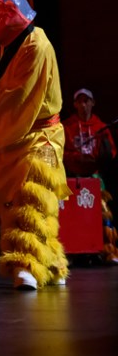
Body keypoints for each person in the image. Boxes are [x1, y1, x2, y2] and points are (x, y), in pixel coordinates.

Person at [0, 0, 70, 291]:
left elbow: (19, 98)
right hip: (18, 136)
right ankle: (49, 263)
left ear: (8, 14)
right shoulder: (10, 47)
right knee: (13, 203)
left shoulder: (36, 46)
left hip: (39, 135)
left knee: (33, 198)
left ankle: (29, 264)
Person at [62, 88, 118, 264]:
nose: (83, 105)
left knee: (104, 212)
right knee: (69, 214)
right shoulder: (66, 127)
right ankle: (67, 253)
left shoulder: (101, 128)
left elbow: (112, 153)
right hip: (72, 176)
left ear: (93, 103)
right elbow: (60, 151)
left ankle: (110, 251)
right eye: (80, 101)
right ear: (74, 105)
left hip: (93, 176)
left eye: (87, 101)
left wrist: (104, 153)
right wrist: (75, 157)